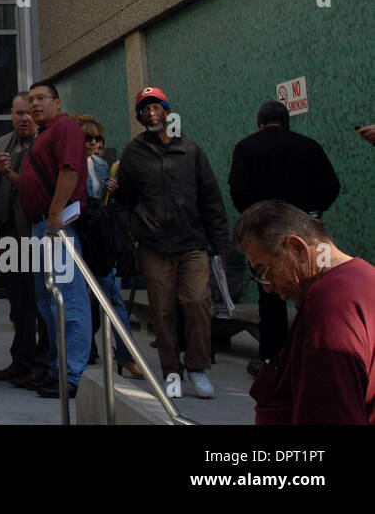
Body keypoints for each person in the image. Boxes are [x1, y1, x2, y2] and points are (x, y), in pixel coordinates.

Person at [112, 86, 230, 399]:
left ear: (167, 111)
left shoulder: (190, 150)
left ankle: (197, 367)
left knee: (196, 302)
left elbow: (211, 200)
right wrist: (132, 228)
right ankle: (171, 371)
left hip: (192, 243)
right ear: (139, 116)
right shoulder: (132, 154)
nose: (151, 113)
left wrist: (220, 245)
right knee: (162, 310)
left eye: (156, 107)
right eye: (145, 109)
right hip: (154, 246)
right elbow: (121, 202)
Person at [229, 100, 342, 375]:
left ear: (259, 123)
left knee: (271, 296)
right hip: (303, 232)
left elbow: (238, 192)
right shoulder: (309, 146)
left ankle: (272, 360)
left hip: (267, 235)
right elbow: (331, 186)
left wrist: (256, 216)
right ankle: (317, 355)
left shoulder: (245, 148)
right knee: (313, 292)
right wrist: (310, 213)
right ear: (286, 122)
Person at [236, 201, 375, 424]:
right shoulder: (366, 277)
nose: (268, 287)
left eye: (265, 270)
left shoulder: (330, 302)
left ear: (297, 248)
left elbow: (332, 412)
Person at [19, 81, 91, 399]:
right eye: (30, 99)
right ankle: (57, 367)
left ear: (58, 103)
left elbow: (70, 169)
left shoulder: (65, 129)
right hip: (43, 227)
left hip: (57, 227)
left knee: (68, 302)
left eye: (41, 99)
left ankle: (72, 373)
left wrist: (54, 215)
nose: (35, 104)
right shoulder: (43, 134)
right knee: (48, 302)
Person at [0, 92, 48, 386]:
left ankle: (43, 363)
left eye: (28, 113)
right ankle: (20, 361)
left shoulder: (44, 143)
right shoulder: (1, 143)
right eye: (18, 113)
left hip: (35, 233)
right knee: (18, 303)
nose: (24, 118)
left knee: (40, 302)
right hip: (8, 234)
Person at [72, 113, 143, 378]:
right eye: (87, 138)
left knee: (112, 298)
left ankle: (125, 354)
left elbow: (107, 204)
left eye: (97, 138)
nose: (92, 143)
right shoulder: (71, 164)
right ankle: (85, 350)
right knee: (81, 300)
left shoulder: (102, 166)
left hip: (100, 239)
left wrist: (110, 191)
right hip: (79, 235)